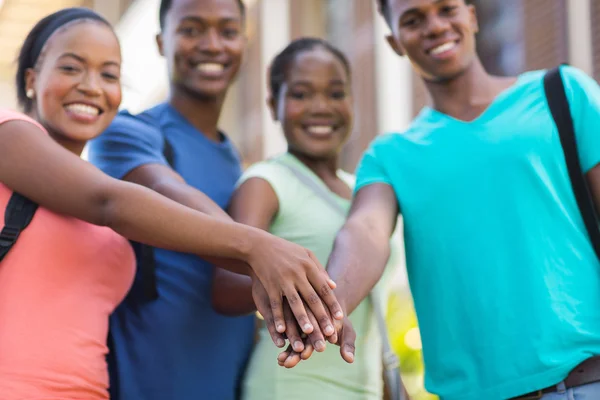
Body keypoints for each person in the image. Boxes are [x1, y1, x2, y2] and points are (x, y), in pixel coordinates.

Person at [0, 7, 342, 400]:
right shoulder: (9, 133)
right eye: (72, 68)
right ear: (30, 79)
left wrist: (305, 293)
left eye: (109, 74)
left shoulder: (230, 163)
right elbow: (112, 200)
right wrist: (259, 247)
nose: (91, 86)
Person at [282, 0, 600, 399]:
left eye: (446, 9)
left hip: (586, 383)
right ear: (394, 41)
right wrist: (332, 307)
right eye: (413, 20)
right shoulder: (390, 155)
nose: (434, 27)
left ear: (471, 14)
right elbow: (365, 231)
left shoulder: (563, 94)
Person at [211, 37, 398, 400]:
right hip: (289, 385)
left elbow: (373, 320)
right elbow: (224, 288)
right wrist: (295, 289)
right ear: (273, 106)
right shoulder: (266, 182)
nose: (320, 107)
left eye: (335, 92)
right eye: (300, 94)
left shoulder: (364, 193)